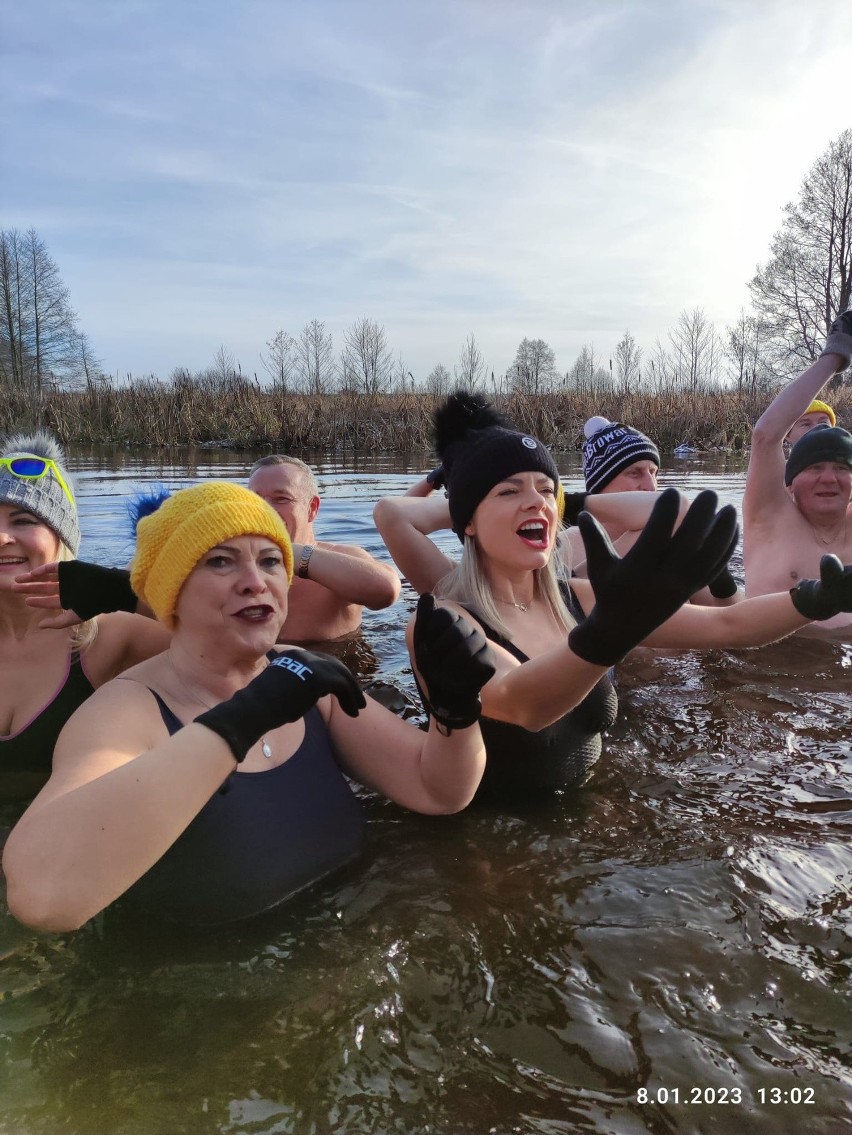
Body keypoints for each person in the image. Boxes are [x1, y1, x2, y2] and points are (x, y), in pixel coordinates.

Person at [2, 482, 495, 931]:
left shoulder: (300, 676)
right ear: (171, 590)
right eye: (220, 561)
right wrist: (245, 716)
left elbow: (438, 790)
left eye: (270, 561)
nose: (254, 581)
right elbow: (42, 898)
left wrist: (455, 710)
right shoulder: (126, 712)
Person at [375, 392, 852, 800]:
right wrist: (459, 490)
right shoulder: (448, 614)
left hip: (589, 833)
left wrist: (812, 600)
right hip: (498, 855)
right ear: (468, 521)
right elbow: (523, 705)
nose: (536, 501)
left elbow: (727, 626)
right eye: (508, 491)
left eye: (547, 490)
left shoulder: (578, 595)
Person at [0, 432, 169, 804]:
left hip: (65, 850)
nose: (1, 537)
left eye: (23, 520)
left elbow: (243, 663)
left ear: (62, 538)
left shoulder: (110, 635)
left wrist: (120, 591)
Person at [743, 311, 852, 636]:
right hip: (773, 668)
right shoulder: (770, 515)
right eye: (815, 468)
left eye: (841, 468)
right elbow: (765, 435)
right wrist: (836, 354)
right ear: (790, 481)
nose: (829, 478)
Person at [567, 415, 741, 606]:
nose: (650, 486)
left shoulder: (674, 543)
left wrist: (719, 576)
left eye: (653, 472)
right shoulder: (570, 542)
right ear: (599, 488)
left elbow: (732, 618)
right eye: (634, 473)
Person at [247, 455, 400, 644]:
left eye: (281, 499)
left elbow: (386, 590)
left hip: (334, 665)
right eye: (255, 499)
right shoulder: (238, 564)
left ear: (312, 508)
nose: (266, 510)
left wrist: (291, 555)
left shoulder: (343, 559)